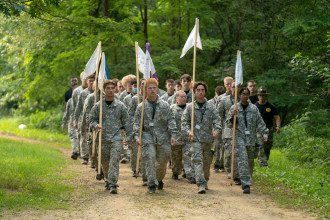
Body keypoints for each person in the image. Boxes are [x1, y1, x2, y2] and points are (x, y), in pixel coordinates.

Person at [133, 78, 177, 194]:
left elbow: (171, 120)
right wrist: (137, 136)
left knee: (163, 161)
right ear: (145, 90)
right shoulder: (141, 107)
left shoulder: (165, 105)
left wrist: (173, 134)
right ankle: (151, 184)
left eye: (154, 88)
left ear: (157, 89)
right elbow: (137, 123)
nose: (152, 90)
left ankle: (159, 178)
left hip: (163, 136)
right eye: (149, 88)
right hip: (148, 136)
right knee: (150, 158)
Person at [89, 80, 132, 194]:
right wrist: (96, 125)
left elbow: (126, 122)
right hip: (102, 138)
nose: (110, 90)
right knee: (104, 161)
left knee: (114, 160)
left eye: (112, 88)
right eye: (108, 88)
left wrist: (129, 136)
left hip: (116, 138)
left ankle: (113, 183)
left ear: (115, 89)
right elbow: (91, 119)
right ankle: (108, 179)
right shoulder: (98, 106)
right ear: (104, 90)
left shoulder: (120, 106)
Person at [182, 82, 221, 194]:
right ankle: (201, 184)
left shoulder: (211, 106)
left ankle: (206, 179)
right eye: (198, 90)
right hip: (195, 139)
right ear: (194, 92)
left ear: (205, 91)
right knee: (197, 160)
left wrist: (216, 130)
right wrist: (188, 131)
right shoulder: (190, 107)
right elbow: (184, 122)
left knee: (207, 162)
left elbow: (217, 120)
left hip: (208, 139)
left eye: (202, 90)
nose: (200, 92)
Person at [227, 87, 268, 194]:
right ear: (239, 95)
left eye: (247, 94)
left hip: (251, 139)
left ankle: (247, 178)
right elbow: (229, 124)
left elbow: (260, 122)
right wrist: (233, 116)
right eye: (243, 94)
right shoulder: (234, 108)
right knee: (243, 160)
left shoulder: (254, 108)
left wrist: (265, 133)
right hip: (239, 137)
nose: (245, 95)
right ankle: (246, 184)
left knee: (250, 161)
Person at [170, 90, 195, 182]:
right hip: (176, 137)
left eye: (185, 97)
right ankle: (175, 172)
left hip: (188, 137)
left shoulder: (190, 108)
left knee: (188, 156)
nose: (184, 98)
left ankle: (189, 174)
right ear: (176, 98)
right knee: (176, 157)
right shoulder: (172, 108)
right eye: (181, 97)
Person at [255, 87, 281, 165]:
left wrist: (278, 126)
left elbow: (277, 117)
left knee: (268, 145)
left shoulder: (271, 106)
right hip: (258, 129)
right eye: (260, 95)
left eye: (264, 95)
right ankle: (263, 163)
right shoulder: (254, 106)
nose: (262, 97)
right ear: (258, 96)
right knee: (261, 144)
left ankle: (265, 159)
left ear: (266, 96)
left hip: (269, 129)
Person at [74, 74, 95, 164]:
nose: (91, 82)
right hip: (84, 118)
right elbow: (78, 107)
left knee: (93, 137)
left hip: (95, 118)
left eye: (93, 81)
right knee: (84, 136)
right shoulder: (83, 93)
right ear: (87, 82)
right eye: (90, 80)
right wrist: (75, 120)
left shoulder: (98, 93)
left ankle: (93, 157)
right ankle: (85, 157)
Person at [218, 82, 237, 178]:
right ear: (230, 88)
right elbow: (219, 116)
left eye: (238, 87)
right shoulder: (224, 100)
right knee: (229, 153)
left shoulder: (245, 100)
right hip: (228, 130)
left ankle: (237, 172)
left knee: (238, 153)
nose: (236, 88)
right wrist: (219, 129)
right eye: (234, 87)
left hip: (240, 131)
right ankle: (229, 170)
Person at [209, 86, 226, 172]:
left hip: (224, 126)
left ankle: (221, 163)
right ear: (215, 93)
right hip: (214, 126)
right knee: (216, 145)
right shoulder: (210, 102)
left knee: (222, 145)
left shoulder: (225, 101)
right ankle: (216, 163)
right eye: (218, 94)